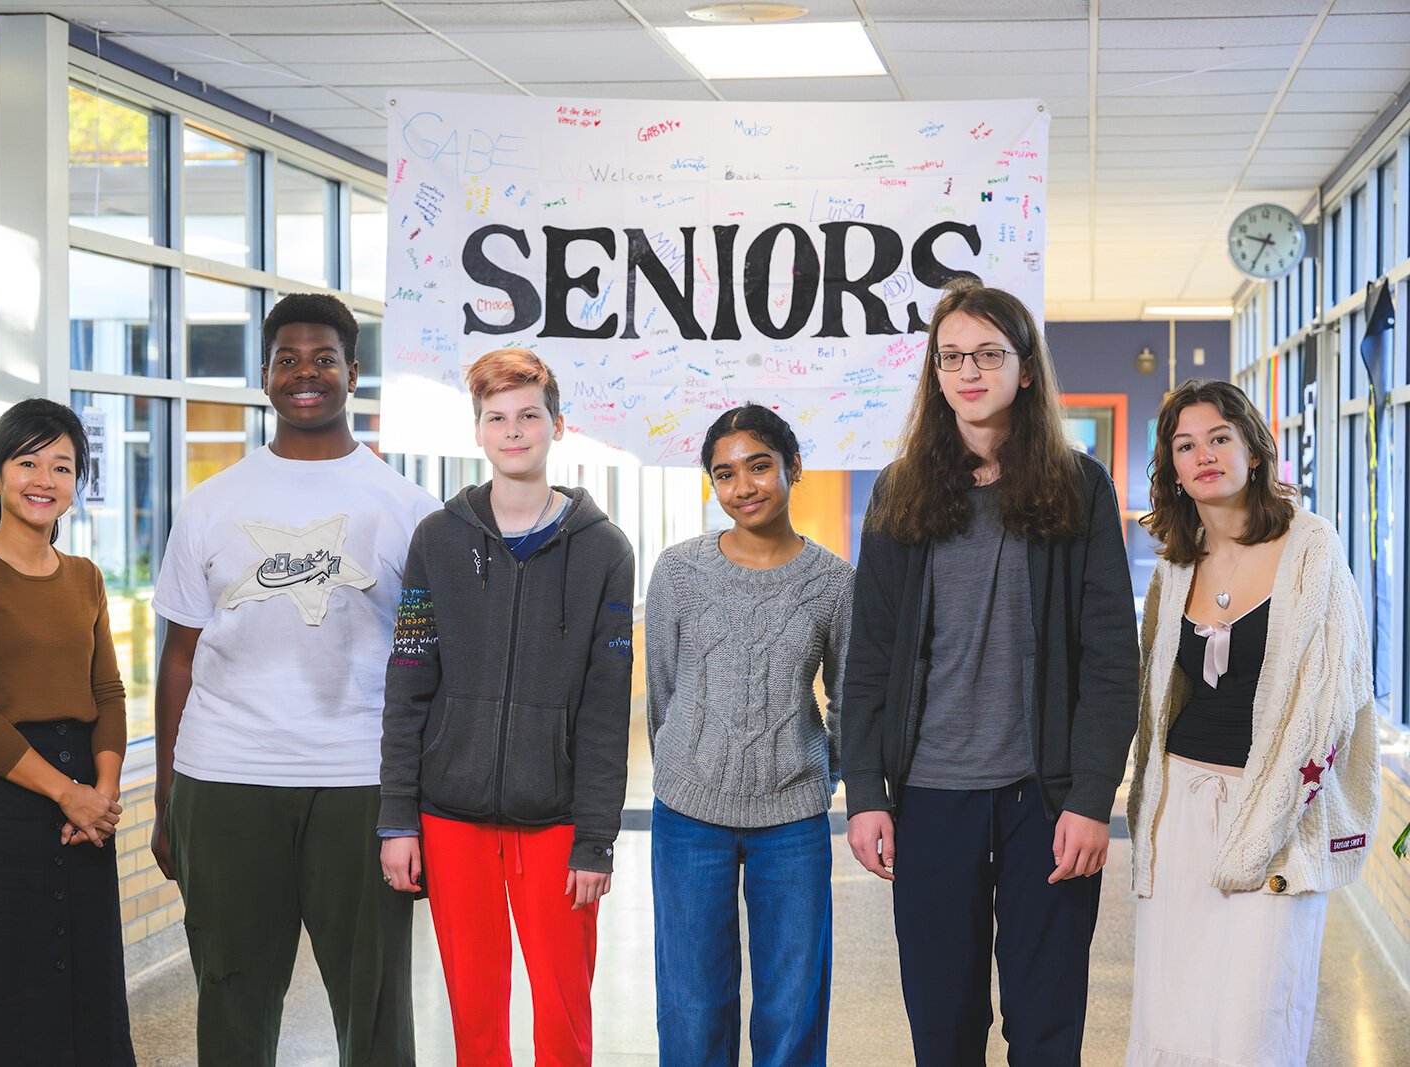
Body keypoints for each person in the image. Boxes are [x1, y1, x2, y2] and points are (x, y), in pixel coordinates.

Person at [841, 281, 1138, 1065]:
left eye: (988, 354)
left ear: (1025, 368)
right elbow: (867, 657)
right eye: (952, 357)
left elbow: (1112, 656)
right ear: (935, 374)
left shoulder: (1079, 487)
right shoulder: (899, 493)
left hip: (1046, 798)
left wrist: (1091, 797)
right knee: (943, 1025)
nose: (969, 371)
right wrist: (866, 793)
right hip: (931, 794)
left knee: (1046, 1027)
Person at [150, 293, 437, 1066]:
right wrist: (165, 793)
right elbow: (178, 654)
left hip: (360, 783)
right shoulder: (210, 504)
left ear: (352, 370)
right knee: (232, 997)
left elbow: (432, 666)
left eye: (323, 358)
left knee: (374, 1009)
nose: (304, 373)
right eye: (287, 359)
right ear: (265, 373)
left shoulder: (411, 508)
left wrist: (420, 801)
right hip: (224, 778)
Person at [378, 347, 634, 1067]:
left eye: (529, 415)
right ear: (479, 430)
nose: (514, 430)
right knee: (474, 1016)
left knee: (563, 1016)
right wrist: (399, 818)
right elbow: (408, 682)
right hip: (450, 814)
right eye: (498, 417)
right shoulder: (436, 538)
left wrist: (595, 839)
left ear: (559, 425)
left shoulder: (606, 549)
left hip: (554, 819)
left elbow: (606, 710)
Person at [1126, 379, 1379, 1066]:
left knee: (1254, 1022)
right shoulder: (1175, 563)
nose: (1203, 454)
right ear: (1171, 469)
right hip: (1179, 806)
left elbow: (1331, 703)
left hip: (1276, 818)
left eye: (1219, 437)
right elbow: (1156, 694)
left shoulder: (1311, 547)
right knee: (1172, 1015)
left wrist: (1256, 836)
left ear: (1254, 449)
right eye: (1185, 444)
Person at [0, 398, 134, 1065]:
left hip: (83, 798)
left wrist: (100, 796)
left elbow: (108, 693)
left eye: (63, 465)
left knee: (84, 981)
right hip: (1, 796)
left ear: (77, 482)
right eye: (28, 461)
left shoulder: (86, 577)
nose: (45, 479)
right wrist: (67, 794)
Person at [643, 403, 852, 1067]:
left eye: (759, 465)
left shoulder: (835, 583)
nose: (744, 486)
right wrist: (684, 766)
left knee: (792, 1003)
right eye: (724, 473)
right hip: (688, 815)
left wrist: (819, 772)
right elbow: (663, 691)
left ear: (792, 467)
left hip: (792, 817)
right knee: (691, 1000)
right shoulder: (678, 571)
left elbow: (850, 698)